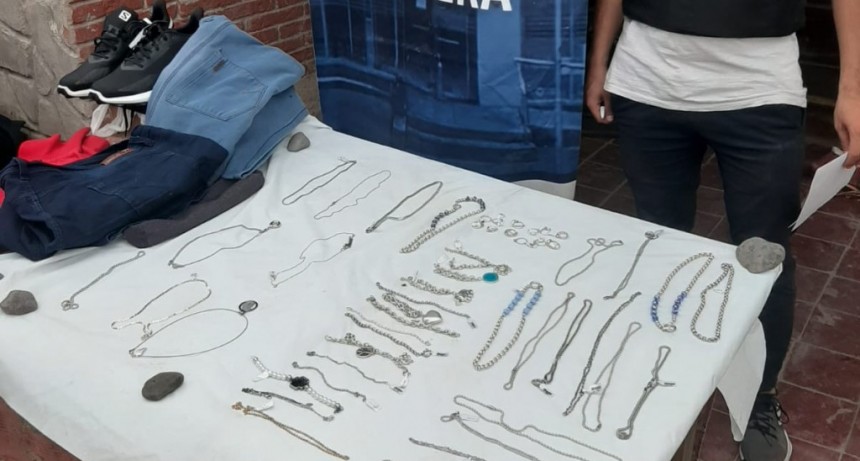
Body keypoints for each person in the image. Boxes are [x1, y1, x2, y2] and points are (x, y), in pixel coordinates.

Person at [585, 1, 860, 460]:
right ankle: (656, 371)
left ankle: (758, 397)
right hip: (646, 83)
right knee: (659, 244)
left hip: (759, 91)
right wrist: (599, 63)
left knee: (764, 257)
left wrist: (852, 89)